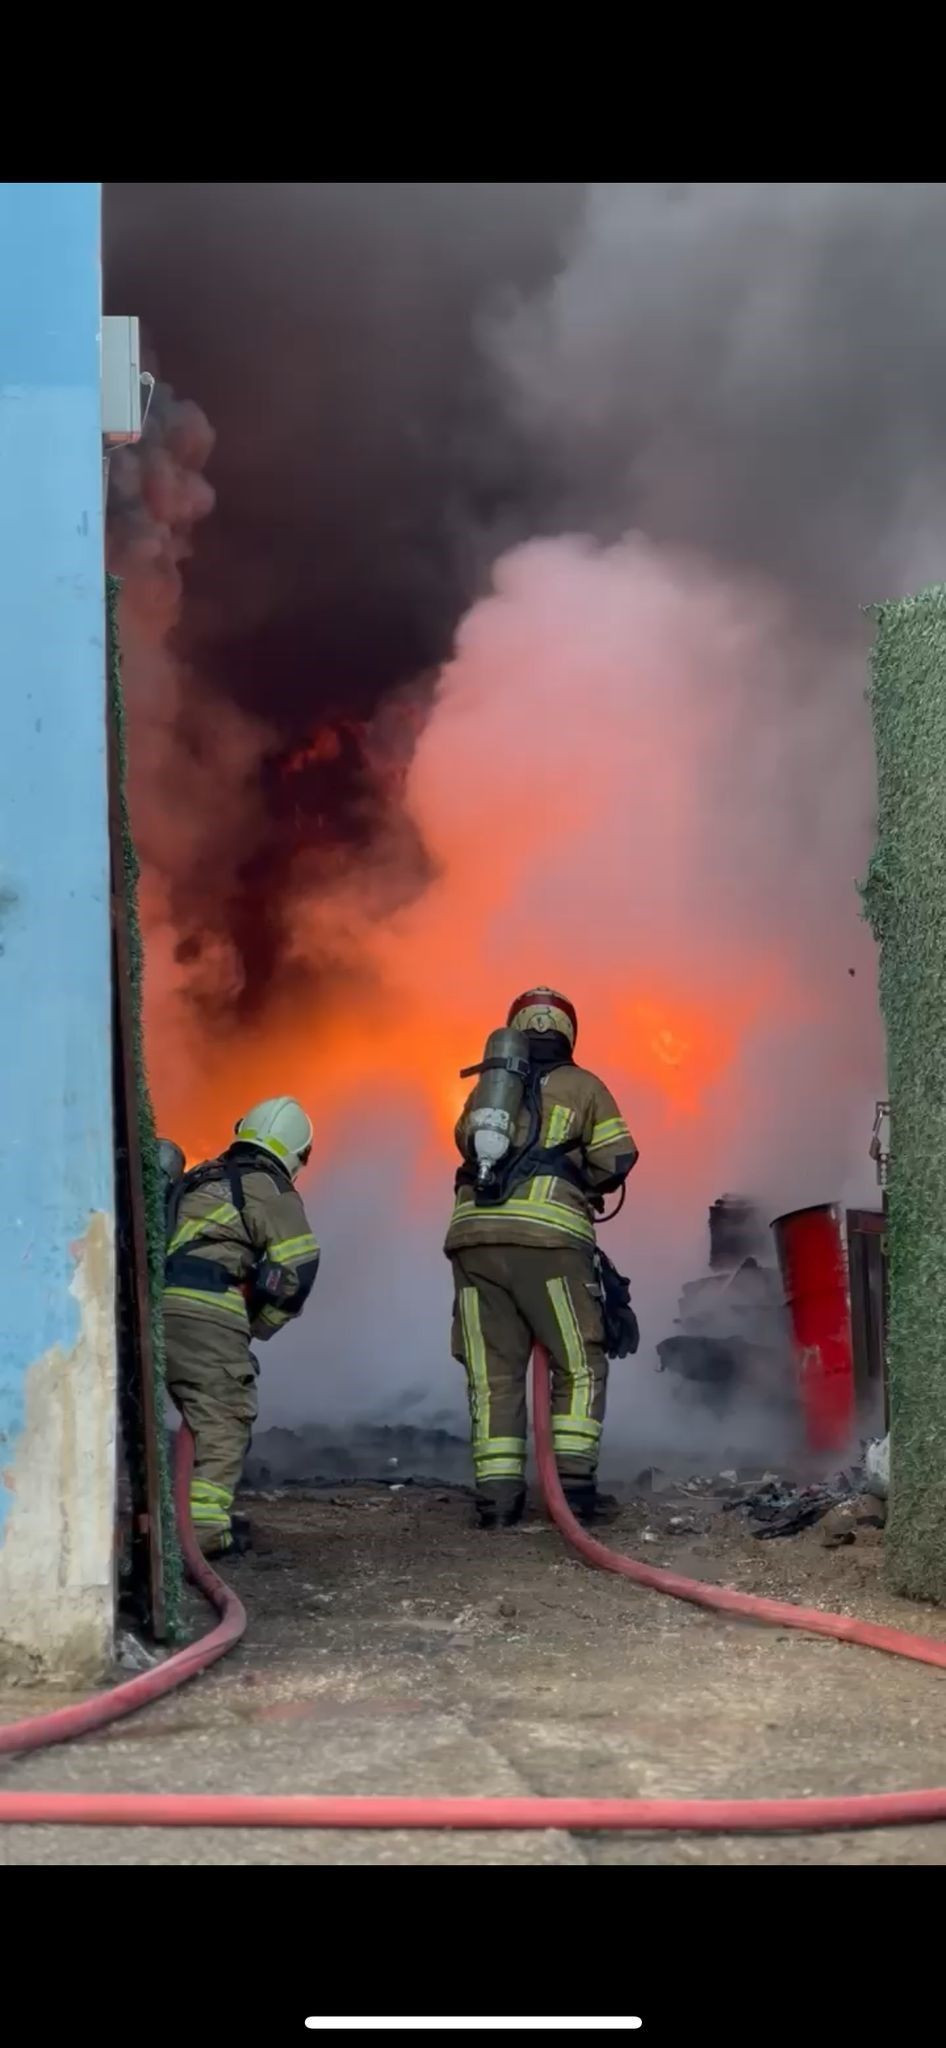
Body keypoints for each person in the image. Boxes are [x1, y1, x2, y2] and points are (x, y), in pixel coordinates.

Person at [446, 988, 638, 1529]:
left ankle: (498, 1502)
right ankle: (574, 1493)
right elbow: (617, 1156)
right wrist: (582, 1177)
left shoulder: (489, 1093)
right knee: (577, 1362)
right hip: (551, 1241)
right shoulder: (586, 1086)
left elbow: (466, 1143)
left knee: (492, 1374)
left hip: (473, 1240)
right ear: (569, 1032)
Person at [163, 1096, 320, 1556]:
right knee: (224, 1415)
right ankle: (205, 1536)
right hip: (207, 1310)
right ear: (298, 1154)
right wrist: (257, 1325)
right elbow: (299, 1269)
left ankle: (156, 1526)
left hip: (153, 1310)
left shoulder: (198, 1180)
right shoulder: (268, 1187)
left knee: (145, 1424)